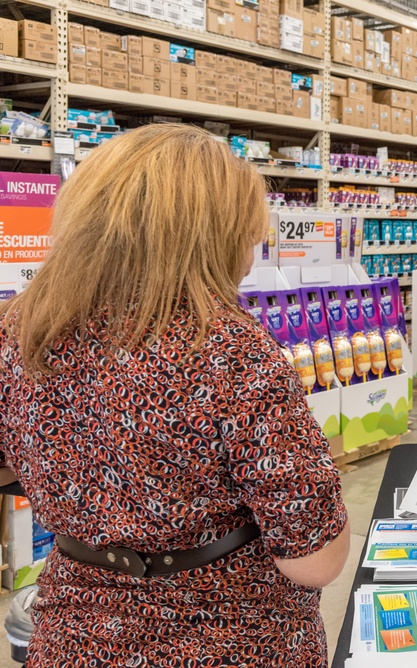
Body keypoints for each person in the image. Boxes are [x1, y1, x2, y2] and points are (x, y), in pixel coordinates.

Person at [0, 124, 351, 666]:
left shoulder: (19, 326)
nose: (250, 257)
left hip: (74, 633)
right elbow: (316, 560)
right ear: (206, 236)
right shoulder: (233, 351)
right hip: (230, 637)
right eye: (246, 238)